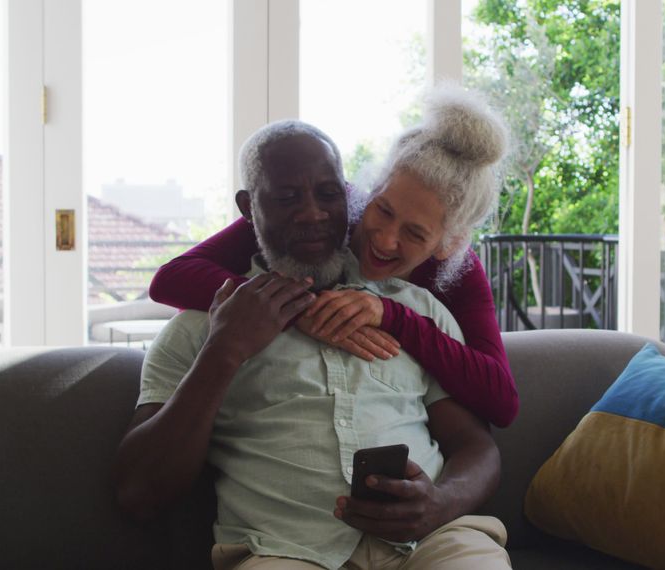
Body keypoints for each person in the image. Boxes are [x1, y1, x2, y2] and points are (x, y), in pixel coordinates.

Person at [114, 120, 511, 570]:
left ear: (347, 199)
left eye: (327, 195)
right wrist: (225, 349)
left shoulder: (418, 309)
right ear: (248, 207)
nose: (312, 214)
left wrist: (440, 502)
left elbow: (480, 445)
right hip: (282, 551)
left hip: (434, 543)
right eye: (286, 198)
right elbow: (139, 494)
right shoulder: (200, 328)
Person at [149, 86, 518, 428]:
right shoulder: (320, 211)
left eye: (415, 233)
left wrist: (392, 318)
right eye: (383, 210)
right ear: (369, 190)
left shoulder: (459, 272)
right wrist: (299, 310)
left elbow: (501, 401)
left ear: (448, 243)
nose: (386, 240)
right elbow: (171, 278)